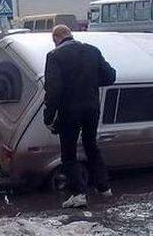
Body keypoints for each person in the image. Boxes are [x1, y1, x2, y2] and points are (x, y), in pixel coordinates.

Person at [44, 25, 116, 208]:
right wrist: (90, 82)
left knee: (68, 153)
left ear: (56, 39)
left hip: (69, 111)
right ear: (70, 35)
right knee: (91, 146)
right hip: (92, 108)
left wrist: (49, 116)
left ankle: (78, 194)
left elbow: (54, 89)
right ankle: (104, 188)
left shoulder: (54, 56)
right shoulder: (92, 50)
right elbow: (110, 76)